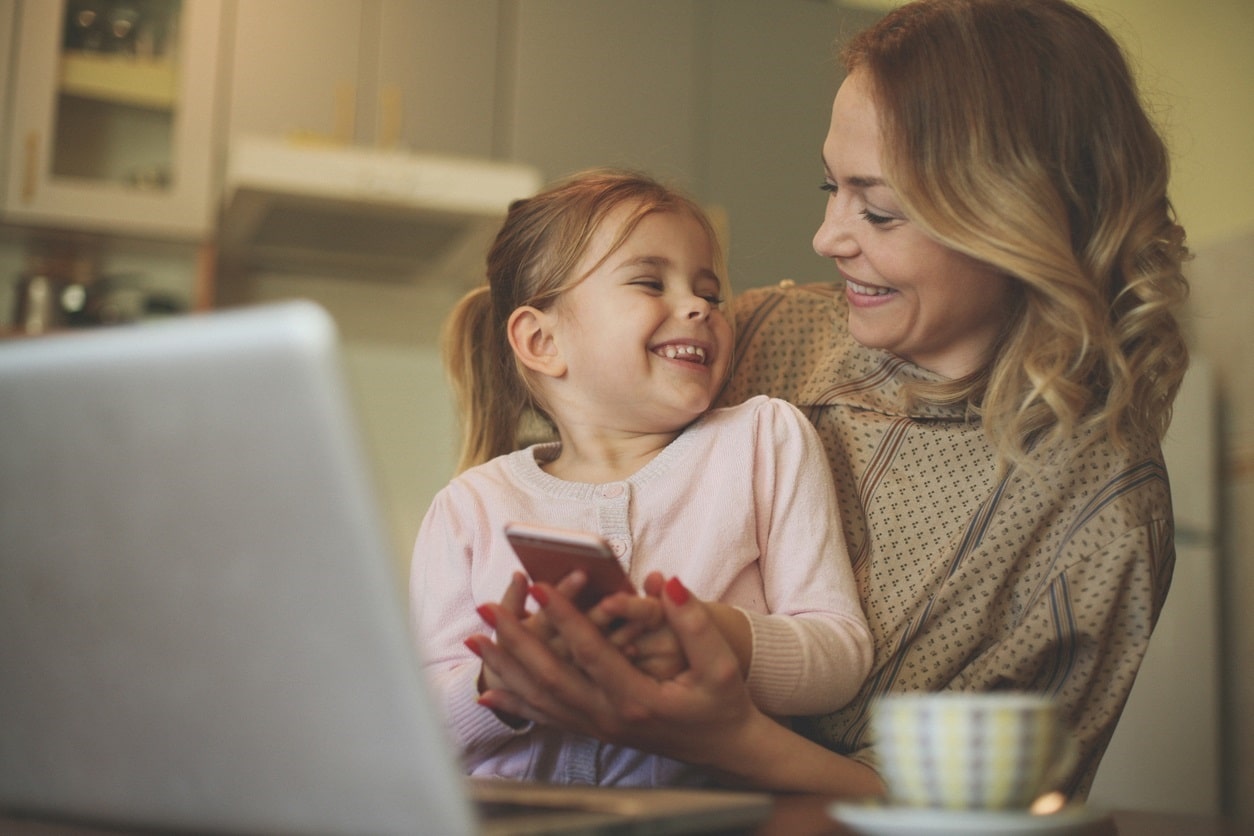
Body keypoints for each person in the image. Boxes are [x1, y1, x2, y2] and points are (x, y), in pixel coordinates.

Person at [465, 0, 1191, 800]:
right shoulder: (767, 337)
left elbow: (979, 814)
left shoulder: (1101, 517)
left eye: (876, 209)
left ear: (1020, 218)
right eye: (831, 186)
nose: (827, 236)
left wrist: (728, 736)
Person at [410, 169, 873, 787]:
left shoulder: (764, 440)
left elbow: (840, 656)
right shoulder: (471, 505)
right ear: (543, 340)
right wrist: (501, 682)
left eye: (708, 292)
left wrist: (724, 638)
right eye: (650, 282)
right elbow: (418, 726)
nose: (698, 307)